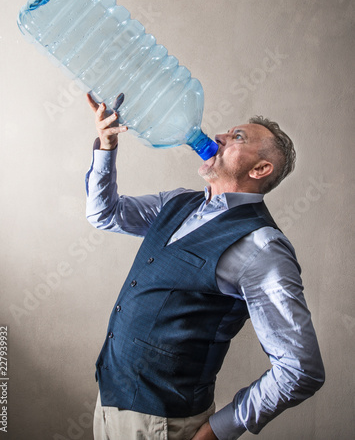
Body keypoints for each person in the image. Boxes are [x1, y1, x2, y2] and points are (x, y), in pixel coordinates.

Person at [85, 93, 325, 440]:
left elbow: (300, 369)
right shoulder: (178, 202)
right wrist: (106, 145)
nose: (219, 137)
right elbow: (104, 214)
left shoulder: (262, 247)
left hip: (163, 426)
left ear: (260, 169)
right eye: (227, 131)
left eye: (237, 137)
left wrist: (219, 429)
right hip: (109, 408)